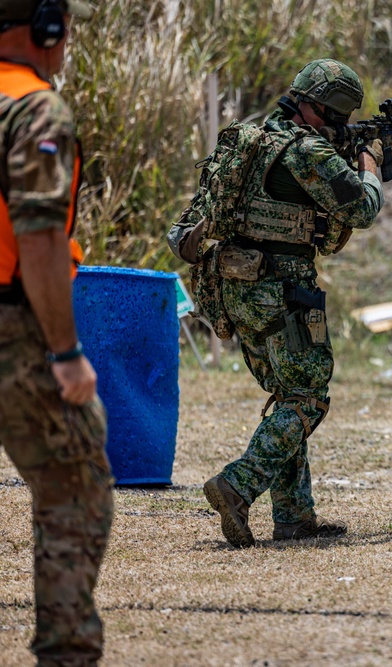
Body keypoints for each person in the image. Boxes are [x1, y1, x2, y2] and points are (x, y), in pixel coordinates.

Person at [168, 59, 386, 548]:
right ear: (320, 110)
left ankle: (293, 517)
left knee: (288, 396)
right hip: (281, 290)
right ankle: (237, 485)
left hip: (235, 286)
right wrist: (370, 162)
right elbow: (362, 208)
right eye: (338, 117)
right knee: (308, 398)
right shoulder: (305, 149)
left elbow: (190, 225)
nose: (340, 127)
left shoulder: (249, 141)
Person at [0, 0, 115, 665]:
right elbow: (39, 234)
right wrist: (65, 351)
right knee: (76, 484)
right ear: (44, 31)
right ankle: (66, 651)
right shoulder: (35, 109)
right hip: (14, 329)